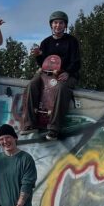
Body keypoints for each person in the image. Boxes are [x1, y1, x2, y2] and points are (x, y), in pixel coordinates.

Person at [21, 11, 81, 141]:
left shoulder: (72, 41)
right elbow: (42, 63)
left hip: (66, 73)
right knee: (32, 84)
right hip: (46, 73)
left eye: (61, 23)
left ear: (65, 25)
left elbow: (76, 62)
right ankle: (29, 124)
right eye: (55, 23)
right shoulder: (46, 42)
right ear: (51, 25)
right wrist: (37, 56)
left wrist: (67, 73)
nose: (58, 25)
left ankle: (54, 128)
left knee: (61, 88)